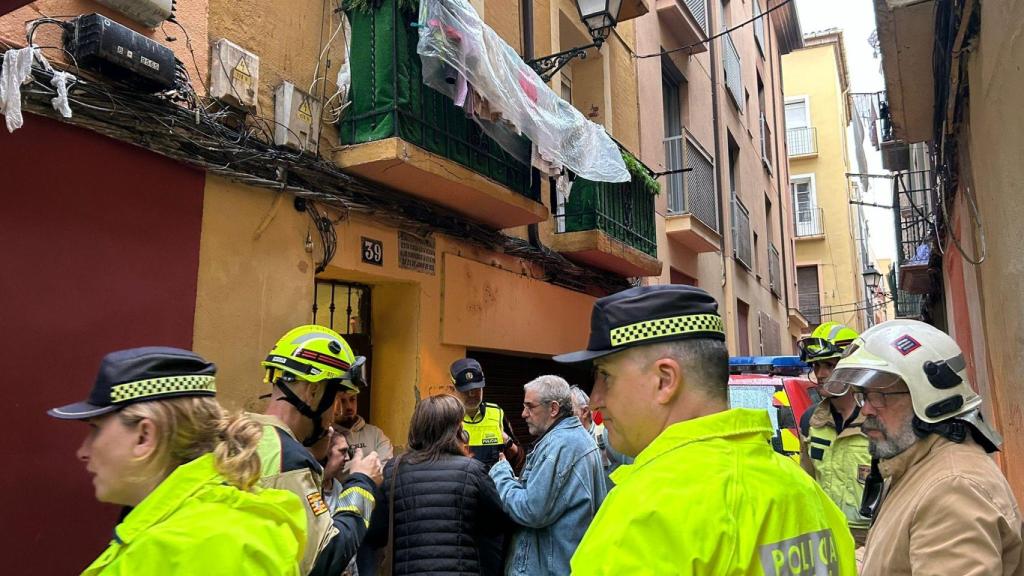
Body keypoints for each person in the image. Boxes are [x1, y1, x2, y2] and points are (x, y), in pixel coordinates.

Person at [553, 284, 856, 575]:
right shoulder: (809, 497)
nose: (594, 399)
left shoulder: (644, 514)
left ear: (665, 380)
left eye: (605, 375)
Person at [48, 347, 306, 575]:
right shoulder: (192, 529)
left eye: (95, 429)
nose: (83, 450)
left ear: (144, 436)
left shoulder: (207, 543)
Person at [828, 319, 1022, 575]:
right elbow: (894, 557)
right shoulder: (916, 466)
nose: (865, 409)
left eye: (880, 396)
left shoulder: (953, 489)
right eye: (864, 395)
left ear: (929, 399)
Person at [253, 325, 384, 576]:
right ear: (313, 391)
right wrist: (362, 483)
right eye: (335, 397)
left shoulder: (241, 439)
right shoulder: (288, 458)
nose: (335, 412)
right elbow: (326, 558)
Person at [366, 394, 509, 575]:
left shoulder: (393, 470)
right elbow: (496, 526)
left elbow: (376, 532)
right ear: (457, 430)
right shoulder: (473, 471)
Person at [489, 375, 607, 576]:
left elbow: (530, 509)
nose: (523, 414)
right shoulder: (574, 440)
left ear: (553, 409)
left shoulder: (561, 446)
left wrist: (501, 474)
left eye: (530, 407)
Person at [797, 322, 873, 545]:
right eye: (817, 366)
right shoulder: (811, 422)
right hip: (826, 535)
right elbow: (807, 482)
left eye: (830, 365)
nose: (821, 374)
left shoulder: (878, 420)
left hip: (872, 537)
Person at [450, 358, 524, 473]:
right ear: (452, 389)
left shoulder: (496, 412)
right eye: (466, 390)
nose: (472, 394)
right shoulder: (445, 417)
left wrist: (507, 442)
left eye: (476, 388)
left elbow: (519, 457)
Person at [569, 385, 633, 490]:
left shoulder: (607, 435)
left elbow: (640, 468)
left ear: (584, 412)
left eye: (569, 411)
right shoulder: (565, 445)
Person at [335, 388, 394, 466]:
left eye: (352, 399)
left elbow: (386, 468)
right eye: (342, 401)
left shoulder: (376, 434)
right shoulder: (326, 438)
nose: (349, 406)